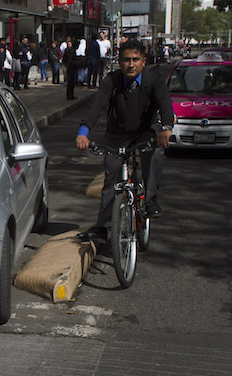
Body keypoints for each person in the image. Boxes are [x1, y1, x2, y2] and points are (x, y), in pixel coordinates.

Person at [75, 40, 174, 242]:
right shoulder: (111, 81)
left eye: (135, 60)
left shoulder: (154, 80)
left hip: (147, 130)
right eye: (126, 60)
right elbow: (96, 107)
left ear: (143, 62)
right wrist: (83, 133)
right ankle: (102, 227)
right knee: (111, 180)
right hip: (118, 134)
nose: (131, 64)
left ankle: (151, 199)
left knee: (153, 153)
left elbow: (165, 104)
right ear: (119, 62)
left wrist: (166, 128)